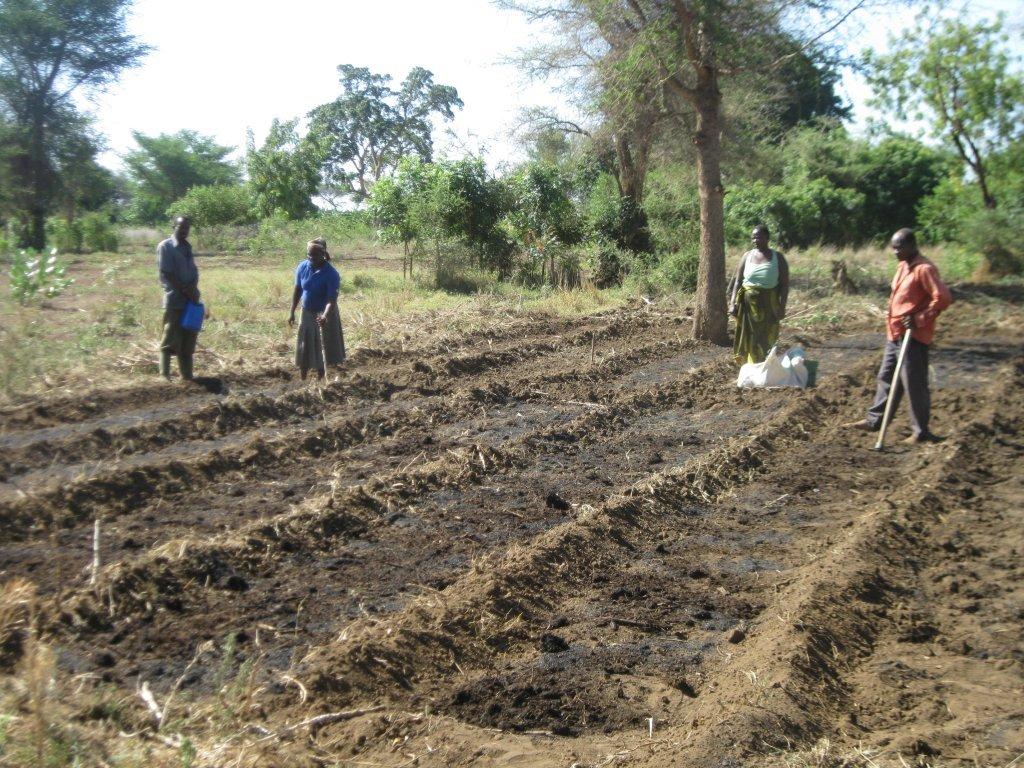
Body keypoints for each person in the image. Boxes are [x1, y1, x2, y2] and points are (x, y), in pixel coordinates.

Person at [843, 228, 952, 444]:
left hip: (913, 336)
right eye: (893, 247)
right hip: (894, 333)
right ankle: (875, 421)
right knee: (885, 377)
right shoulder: (903, 266)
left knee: (913, 383)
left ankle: (921, 432)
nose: (894, 251)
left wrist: (920, 318)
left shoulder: (924, 269)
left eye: (899, 247)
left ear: (911, 245)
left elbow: (943, 298)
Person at [730, 224, 790, 364]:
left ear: (767, 238)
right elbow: (738, 281)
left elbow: (785, 285)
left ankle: (765, 365)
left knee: (766, 336)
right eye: (754, 238)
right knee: (748, 336)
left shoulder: (778, 258)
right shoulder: (747, 256)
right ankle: (750, 368)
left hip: (769, 305)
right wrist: (732, 303)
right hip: (747, 306)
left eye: (759, 237)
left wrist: (782, 306)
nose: (756, 240)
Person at [289, 238, 346, 380]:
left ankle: (321, 379)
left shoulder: (331, 274)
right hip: (307, 311)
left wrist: (325, 316)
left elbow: (331, 300)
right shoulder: (302, 266)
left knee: (322, 346)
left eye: (314, 255)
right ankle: (303, 377)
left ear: (323, 255)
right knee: (304, 346)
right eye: (309, 255)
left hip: (326, 313)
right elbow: (297, 290)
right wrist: (292, 312)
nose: (311, 258)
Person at [157, 216, 202, 380]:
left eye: (187, 228)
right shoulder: (166, 247)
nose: (185, 231)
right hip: (175, 299)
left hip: (190, 301)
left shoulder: (186, 247)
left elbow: (194, 272)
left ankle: (187, 377)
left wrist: (193, 290)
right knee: (169, 338)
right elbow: (166, 273)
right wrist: (185, 290)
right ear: (173, 226)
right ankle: (164, 375)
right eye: (181, 227)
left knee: (187, 342)